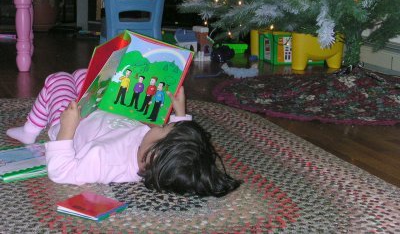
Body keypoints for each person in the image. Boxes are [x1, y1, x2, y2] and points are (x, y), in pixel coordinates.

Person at [6, 70, 241, 197]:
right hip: (97, 113)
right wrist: (180, 111)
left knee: (58, 80)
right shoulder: (155, 153)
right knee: (82, 75)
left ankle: (30, 130)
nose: (160, 123)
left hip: (68, 123)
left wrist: (67, 128)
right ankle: (77, 88)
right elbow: (180, 142)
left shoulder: (106, 163)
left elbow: (60, 171)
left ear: (151, 156)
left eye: (163, 127)